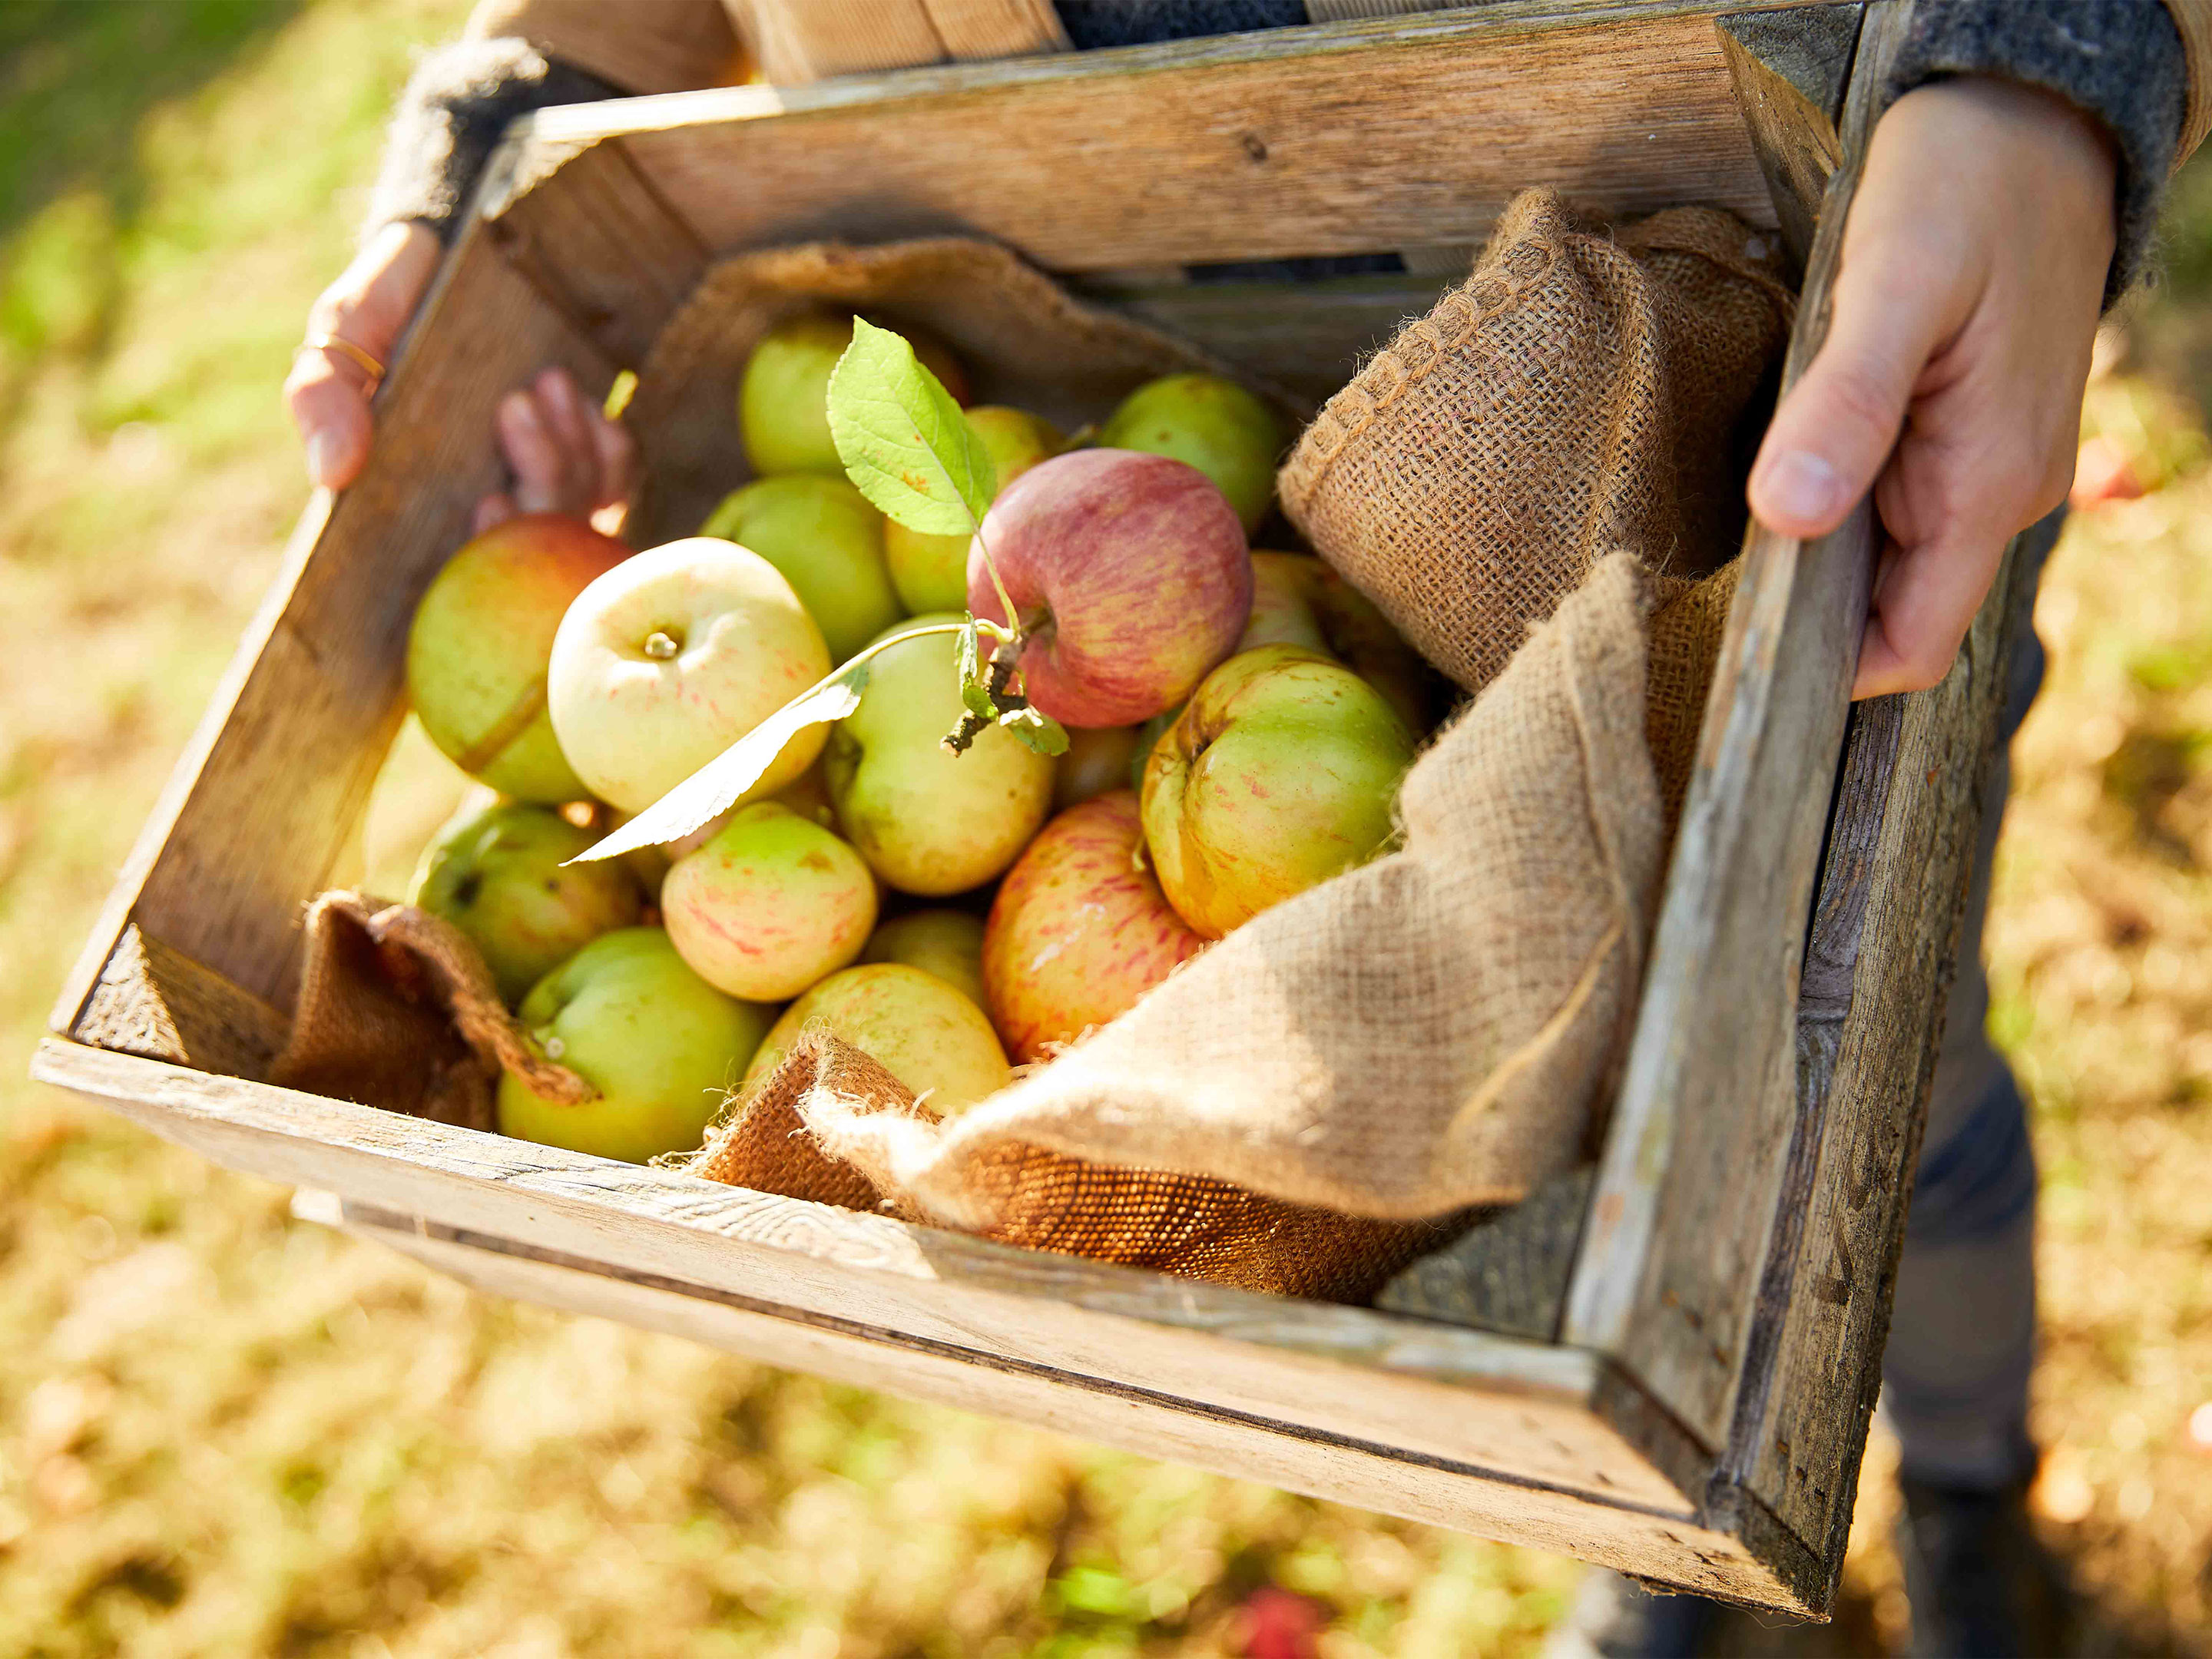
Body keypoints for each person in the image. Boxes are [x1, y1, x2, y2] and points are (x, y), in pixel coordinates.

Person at [287, 4, 2203, 1653]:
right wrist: (510, 107)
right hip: (1074, 349)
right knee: (1591, 1212)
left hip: (1751, 315)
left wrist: (2051, 59)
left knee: (1886, 1072)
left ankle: (1962, 1475)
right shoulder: (1007, 700)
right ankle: (1668, 1544)